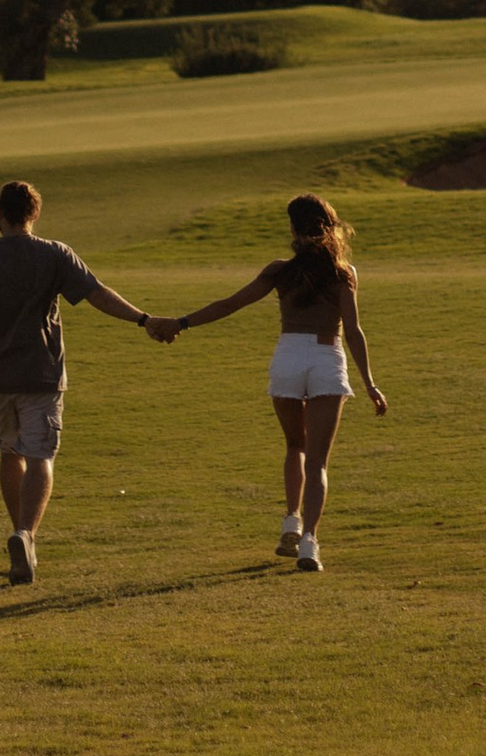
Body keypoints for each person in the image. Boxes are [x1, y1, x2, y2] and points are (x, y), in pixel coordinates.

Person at [0, 177, 173, 583]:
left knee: (10, 452)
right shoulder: (55, 254)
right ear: (35, 215)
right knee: (41, 456)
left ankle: (21, 535)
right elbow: (98, 294)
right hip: (42, 373)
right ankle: (25, 533)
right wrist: (144, 319)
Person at [158, 191, 386, 571]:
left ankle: (291, 520)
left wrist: (180, 323)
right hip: (326, 358)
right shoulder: (344, 273)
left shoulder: (280, 270)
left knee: (294, 445)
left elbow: (230, 303)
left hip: (288, 358)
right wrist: (370, 383)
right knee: (318, 462)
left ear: (294, 230)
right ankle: (310, 542)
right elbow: (354, 331)